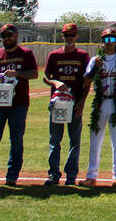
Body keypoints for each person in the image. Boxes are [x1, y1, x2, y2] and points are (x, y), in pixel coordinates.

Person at [0, 23, 39, 185]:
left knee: (16, 141)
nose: (7, 39)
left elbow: (34, 74)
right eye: (4, 36)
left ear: (16, 36)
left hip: (18, 104)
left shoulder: (26, 53)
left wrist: (18, 73)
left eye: (10, 35)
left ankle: (12, 175)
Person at [81, 27, 116, 187]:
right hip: (100, 102)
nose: (108, 43)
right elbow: (86, 81)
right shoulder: (95, 60)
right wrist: (96, 67)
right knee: (95, 140)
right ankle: (91, 175)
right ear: (102, 43)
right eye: (105, 40)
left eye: (111, 40)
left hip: (115, 102)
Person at [42, 22, 90, 186]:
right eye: (66, 35)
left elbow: (87, 82)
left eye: (72, 35)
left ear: (76, 36)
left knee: (74, 141)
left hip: (74, 104)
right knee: (54, 140)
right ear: (62, 36)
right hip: (57, 104)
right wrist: (55, 82)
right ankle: (53, 174)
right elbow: (46, 76)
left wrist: (82, 102)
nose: (69, 38)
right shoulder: (54, 55)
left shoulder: (83, 56)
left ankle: (71, 176)